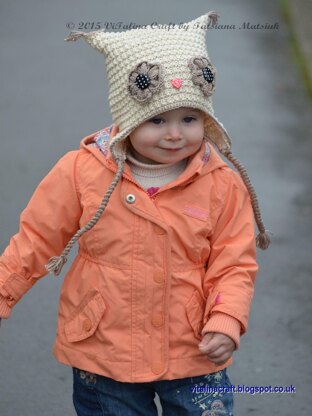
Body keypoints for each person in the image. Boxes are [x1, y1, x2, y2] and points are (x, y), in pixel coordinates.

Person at [0, 11, 271, 416]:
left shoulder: (221, 183)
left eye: (190, 118)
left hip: (193, 350)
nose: (175, 133)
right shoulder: (81, 172)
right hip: (106, 349)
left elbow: (234, 263)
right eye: (157, 119)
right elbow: (36, 241)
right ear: (127, 118)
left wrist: (226, 318)